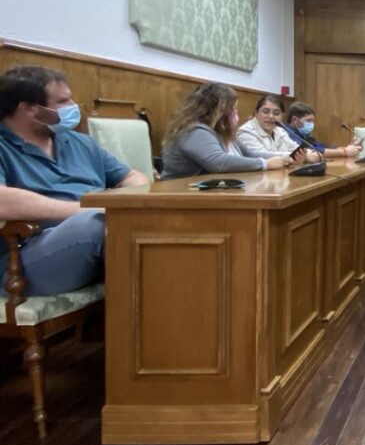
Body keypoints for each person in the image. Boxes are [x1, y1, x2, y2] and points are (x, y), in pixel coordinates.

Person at [0, 66, 148, 296]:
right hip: (25, 256)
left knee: (156, 223)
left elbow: (132, 176)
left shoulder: (79, 142)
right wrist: (89, 209)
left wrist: (125, 203)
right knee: (96, 224)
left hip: (102, 229)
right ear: (28, 108)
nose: (74, 106)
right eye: (62, 102)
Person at [161, 83, 290, 179]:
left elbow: (251, 154)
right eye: (233, 109)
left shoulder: (223, 134)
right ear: (218, 111)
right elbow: (218, 162)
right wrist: (264, 164)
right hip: (179, 196)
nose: (236, 114)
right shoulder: (195, 131)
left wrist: (287, 158)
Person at [236, 95, 317, 163]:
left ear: (282, 116)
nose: (271, 116)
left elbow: (295, 147)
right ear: (256, 113)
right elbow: (260, 156)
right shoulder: (245, 132)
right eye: (265, 111)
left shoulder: (280, 130)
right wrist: (302, 157)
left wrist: (310, 153)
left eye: (276, 113)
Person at [282, 102, 362, 159]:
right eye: (308, 120)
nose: (312, 124)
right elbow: (311, 152)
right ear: (295, 120)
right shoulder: (286, 133)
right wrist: (344, 152)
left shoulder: (303, 134)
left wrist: (349, 148)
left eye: (313, 121)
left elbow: (322, 147)